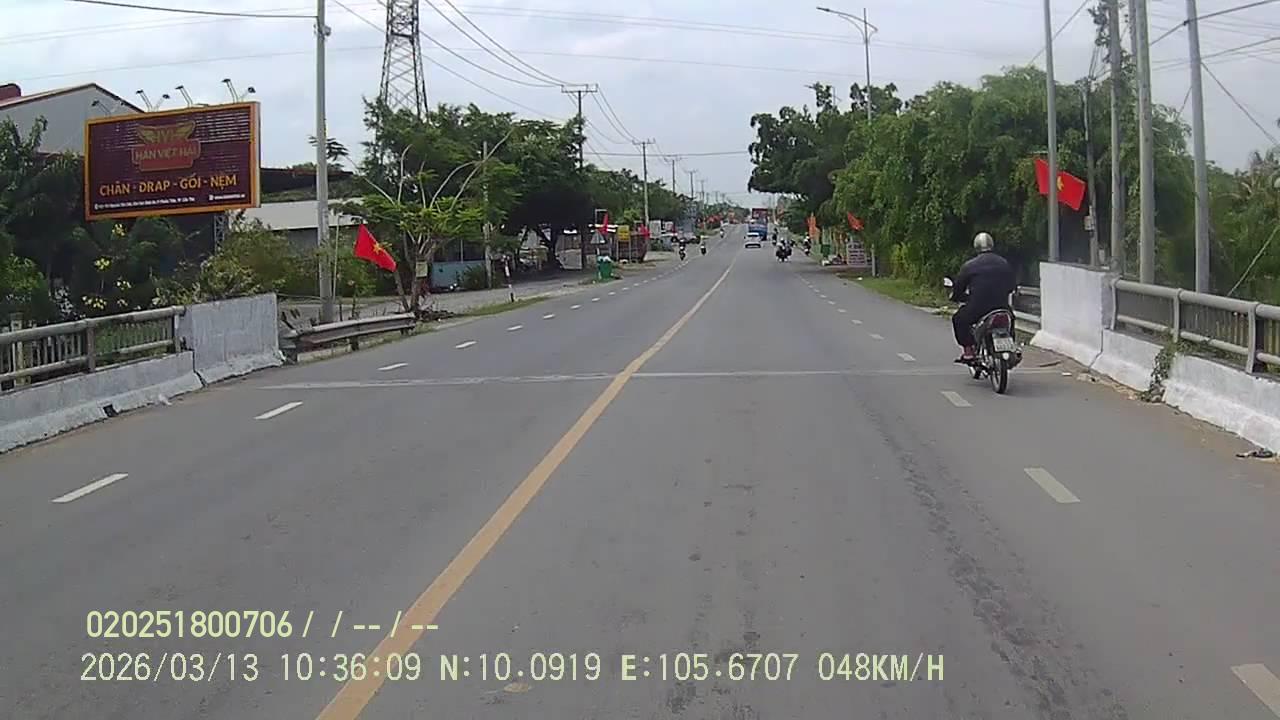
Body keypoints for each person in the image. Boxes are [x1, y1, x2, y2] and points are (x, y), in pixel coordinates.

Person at [950, 232, 1017, 362]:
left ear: (976, 246)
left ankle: (968, 351)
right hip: (1001, 306)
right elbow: (1011, 286)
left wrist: (957, 296)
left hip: (978, 307)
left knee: (958, 319)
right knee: (1010, 319)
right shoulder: (1004, 263)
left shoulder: (970, 265)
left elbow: (959, 288)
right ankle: (1011, 346)